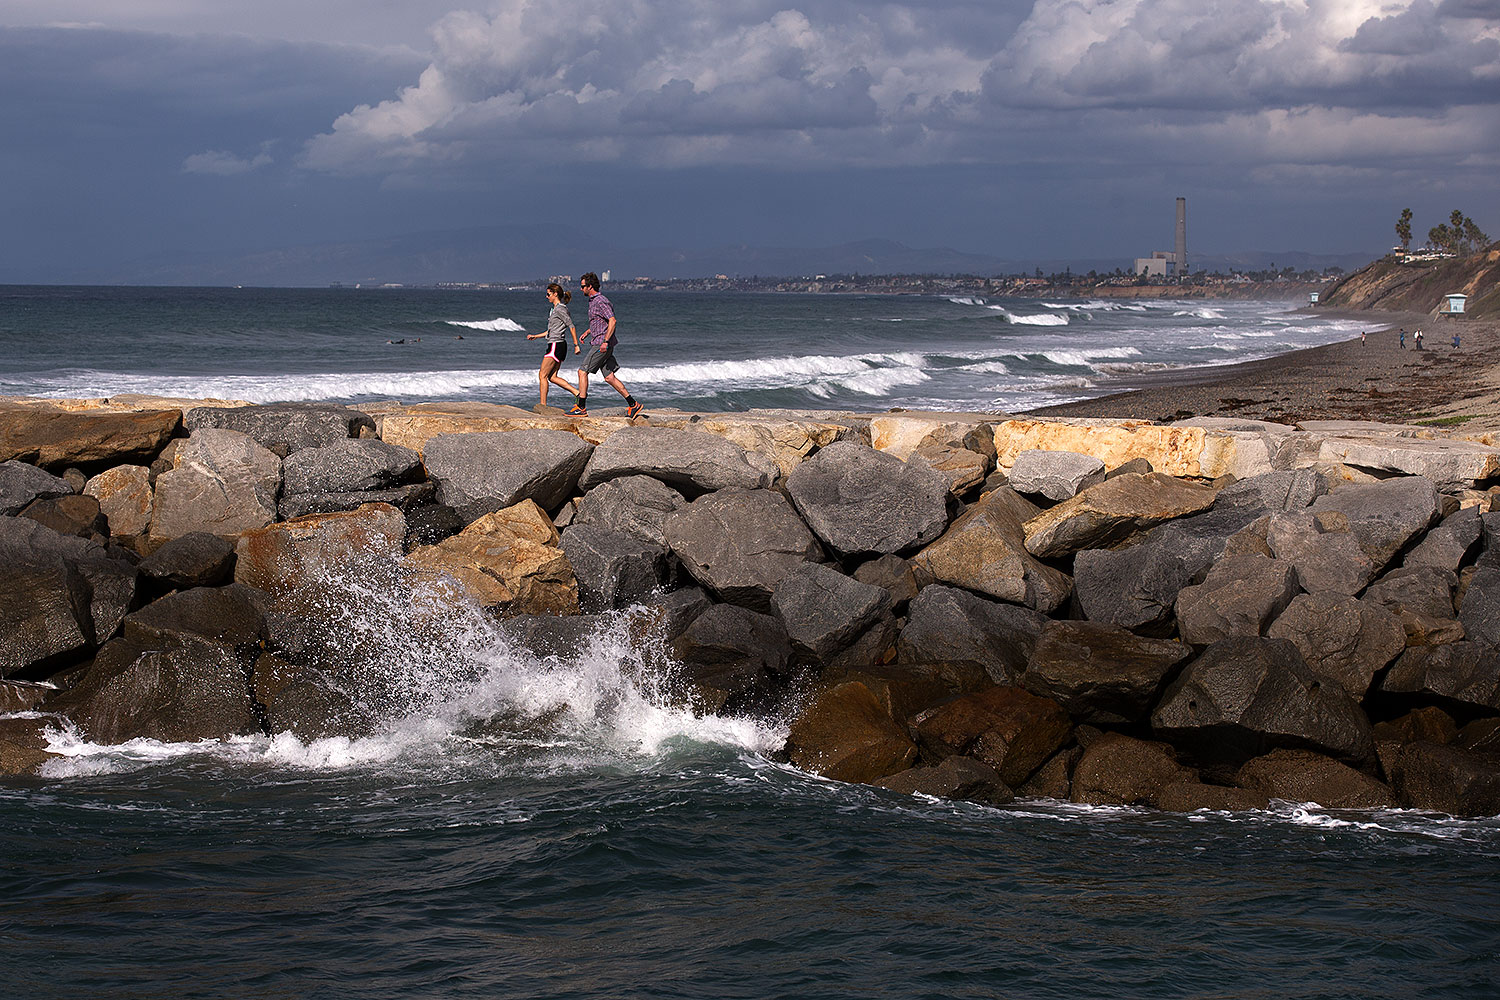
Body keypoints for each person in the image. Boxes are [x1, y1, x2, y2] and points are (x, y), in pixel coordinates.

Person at [570, 272, 642, 418]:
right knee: (609, 377)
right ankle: (633, 404)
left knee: (582, 372)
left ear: (590, 286)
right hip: (600, 342)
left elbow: (612, 321)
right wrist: (588, 331)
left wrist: (605, 342)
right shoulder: (593, 301)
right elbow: (600, 322)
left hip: (601, 345)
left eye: (583, 286)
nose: (581, 289)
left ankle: (581, 407)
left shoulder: (601, 301)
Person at [526, 282, 580, 407]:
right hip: (558, 344)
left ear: (555, 294)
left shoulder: (560, 309)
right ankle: (577, 393)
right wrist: (536, 336)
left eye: (548, 294)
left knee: (542, 375)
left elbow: (571, 326)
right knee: (552, 377)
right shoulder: (555, 310)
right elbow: (551, 331)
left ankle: (543, 405)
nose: (547, 297)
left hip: (556, 345)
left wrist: (576, 345)